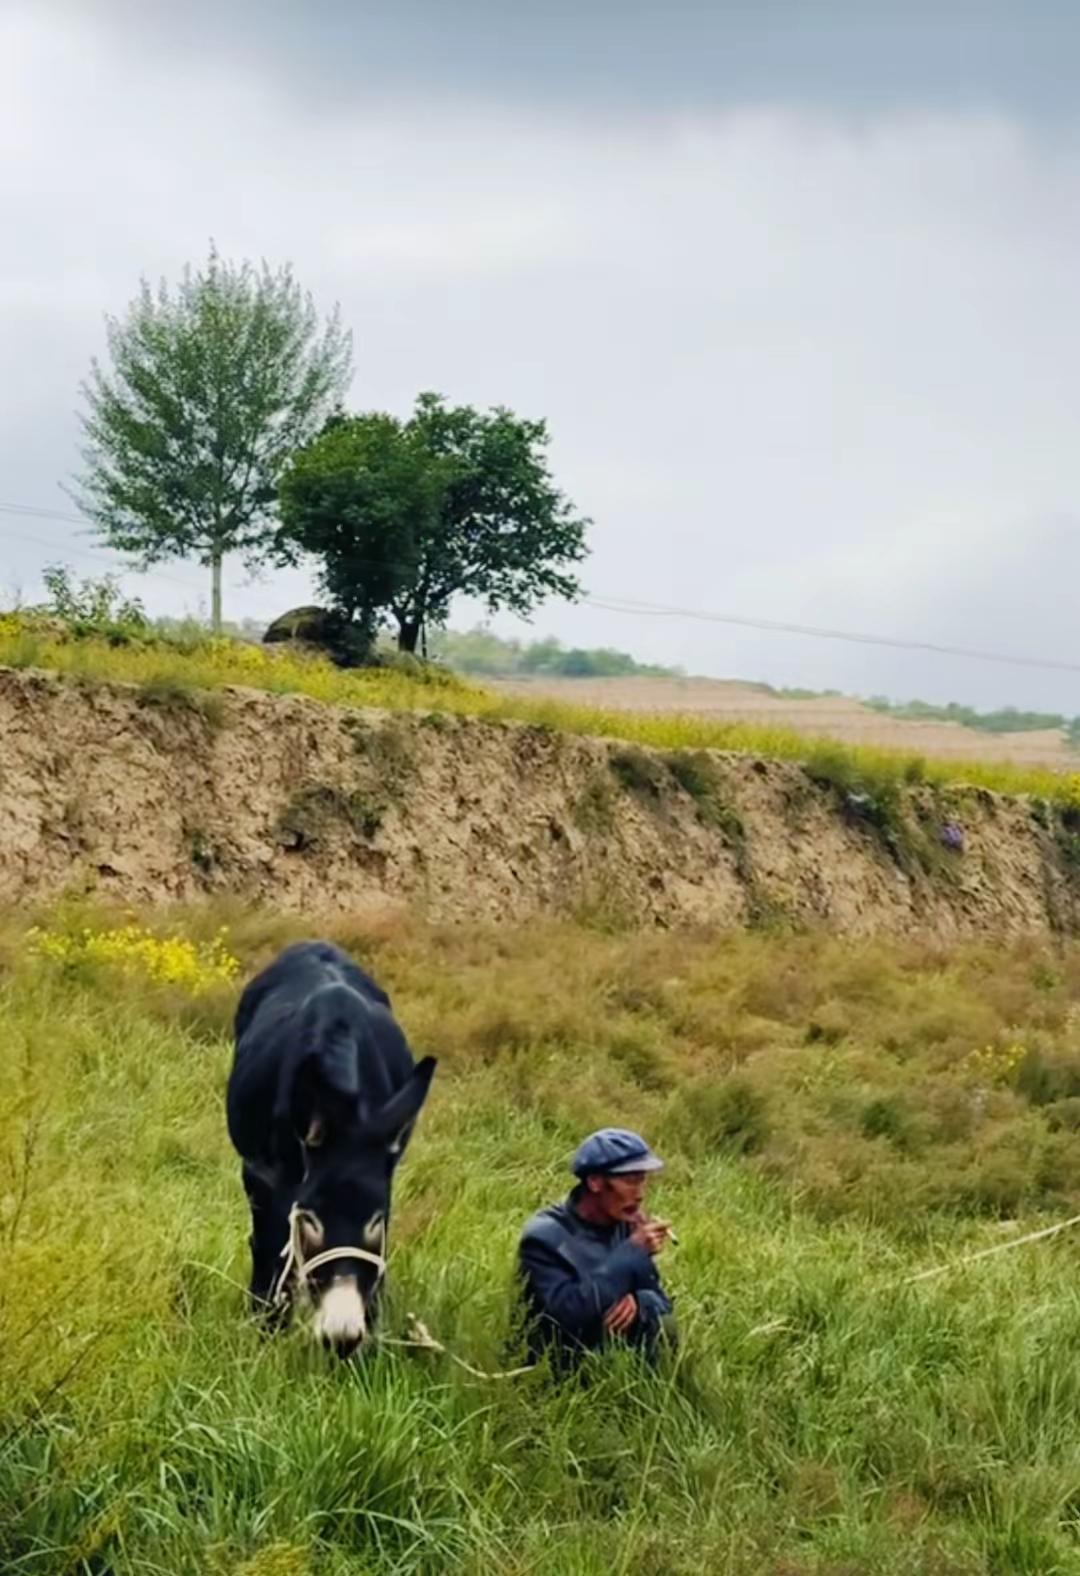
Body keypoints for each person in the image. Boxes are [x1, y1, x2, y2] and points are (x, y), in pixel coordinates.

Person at [517, 1127, 675, 1370]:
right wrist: (631, 1253)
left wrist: (639, 1302)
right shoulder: (544, 1238)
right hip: (555, 1370)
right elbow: (567, 1317)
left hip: (612, 1360)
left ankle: (652, 1398)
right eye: (630, 1181)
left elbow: (662, 1302)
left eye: (642, 1180)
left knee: (659, 1317)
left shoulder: (624, 1225)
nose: (641, 1194)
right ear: (595, 1182)